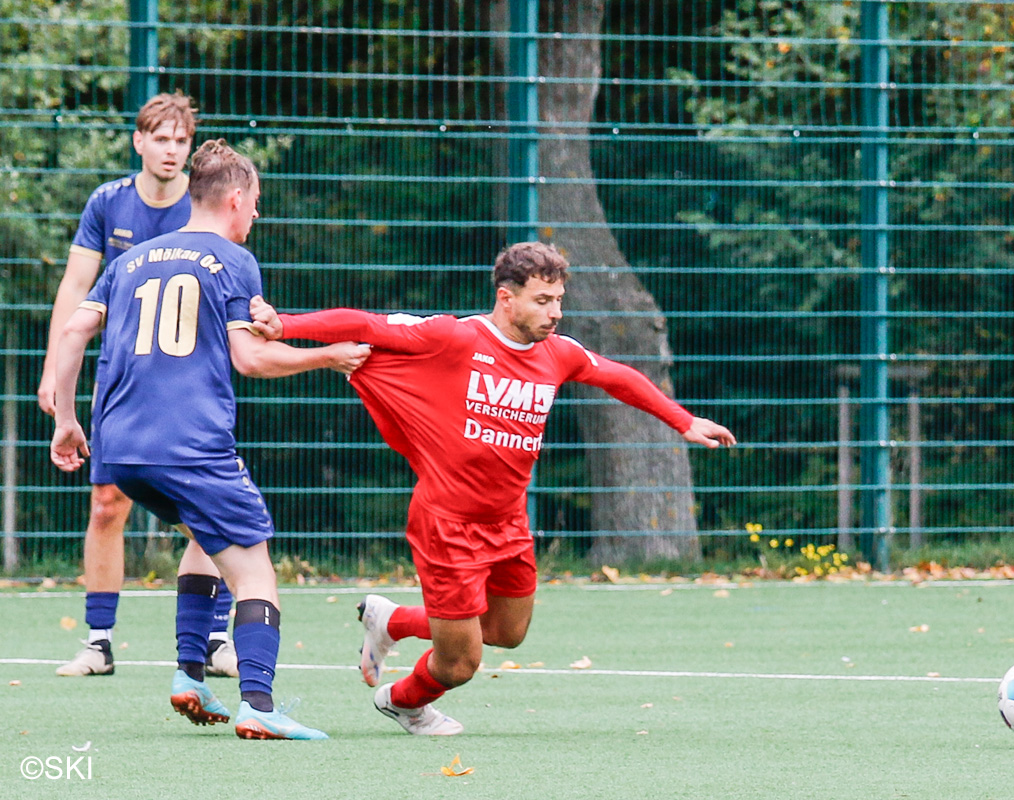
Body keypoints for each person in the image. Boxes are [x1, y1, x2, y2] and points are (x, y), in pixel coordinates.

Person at [250, 241, 736, 736]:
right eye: (542, 301)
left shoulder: (559, 353)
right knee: (460, 664)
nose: (555, 313)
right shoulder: (455, 337)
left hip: (509, 522)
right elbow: (365, 325)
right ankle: (401, 702)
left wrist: (683, 420)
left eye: (558, 300)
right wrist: (285, 325)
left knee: (508, 632)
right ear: (507, 298)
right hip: (447, 526)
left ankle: (391, 621)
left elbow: (617, 377)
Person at [50, 138, 371, 740]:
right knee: (254, 570)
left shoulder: (130, 260)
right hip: (191, 446)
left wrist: (68, 421)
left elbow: (72, 332)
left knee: (203, 536)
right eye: (257, 203)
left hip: (121, 449)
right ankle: (259, 704)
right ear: (235, 199)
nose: (257, 215)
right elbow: (249, 359)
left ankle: (191, 676)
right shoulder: (232, 259)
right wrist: (328, 355)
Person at [39, 92, 238, 678]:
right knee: (106, 503)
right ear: (139, 142)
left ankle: (215, 638)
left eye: (182, 140)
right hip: (121, 377)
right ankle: (98, 641)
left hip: (189, 383)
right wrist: (54, 370)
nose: (172, 150)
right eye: (162, 139)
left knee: (207, 507)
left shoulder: (201, 206)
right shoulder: (109, 203)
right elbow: (76, 287)